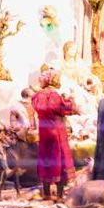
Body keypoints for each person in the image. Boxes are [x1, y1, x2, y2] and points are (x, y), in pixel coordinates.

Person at [32, 68, 78, 200]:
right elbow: (65, 108)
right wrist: (70, 99)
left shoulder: (37, 96)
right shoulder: (54, 95)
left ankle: (46, 194)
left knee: (46, 158)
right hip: (56, 130)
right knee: (60, 159)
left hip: (44, 131)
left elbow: (38, 107)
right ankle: (59, 195)